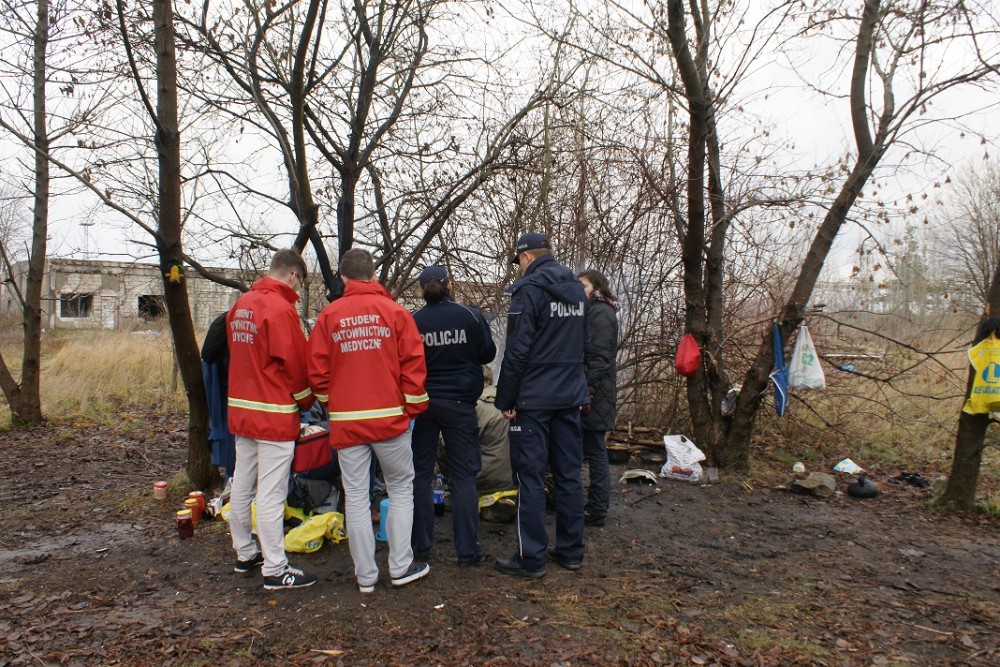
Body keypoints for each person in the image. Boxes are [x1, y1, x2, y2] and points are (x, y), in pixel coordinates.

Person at [308, 248, 431, 593]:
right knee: (401, 489)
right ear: (374, 275)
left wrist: (333, 403)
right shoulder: (396, 313)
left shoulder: (329, 316)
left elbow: (316, 371)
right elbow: (414, 366)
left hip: (347, 423)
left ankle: (365, 576)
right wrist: (410, 409)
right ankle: (400, 566)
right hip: (390, 421)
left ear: (344, 278)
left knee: (356, 497)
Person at [494, 232, 589, 578]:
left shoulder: (529, 290)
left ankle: (530, 557)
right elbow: (586, 344)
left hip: (533, 400)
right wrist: (582, 389)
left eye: (519, 261)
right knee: (568, 475)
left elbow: (517, 350)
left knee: (530, 477)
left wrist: (506, 398)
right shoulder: (577, 290)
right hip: (569, 397)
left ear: (527, 257)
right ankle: (571, 551)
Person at [226, 249, 317, 590]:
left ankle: (245, 552)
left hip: (242, 411)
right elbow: (295, 364)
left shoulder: (241, 305)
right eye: (300, 282)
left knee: (242, 484)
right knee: (271, 493)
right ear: (293, 275)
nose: (298, 289)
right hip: (273, 414)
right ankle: (276, 568)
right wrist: (306, 400)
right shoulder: (280, 310)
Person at [410, 265, 497, 566]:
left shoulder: (413, 320)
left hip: (423, 404)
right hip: (460, 404)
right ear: (450, 285)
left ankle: (420, 548)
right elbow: (487, 354)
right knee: (463, 477)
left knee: (421, 475)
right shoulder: (469, 316)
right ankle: (468, 551)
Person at [577, 269, 619, 527]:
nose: (578, 289)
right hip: (593, 392)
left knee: (594, 450)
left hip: (596, 396)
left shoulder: (601, 313)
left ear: (596, 287)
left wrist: (587, 391)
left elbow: (599, 357)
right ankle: (592, 506)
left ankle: (597, 509)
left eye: (582, 285)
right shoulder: (593, 310)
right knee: (590, 449)